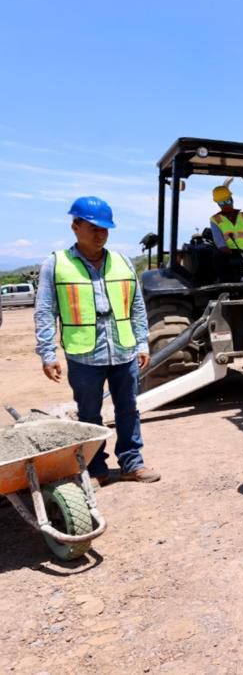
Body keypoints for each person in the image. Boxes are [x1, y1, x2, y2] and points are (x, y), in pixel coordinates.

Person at [34, 196, 159, 485]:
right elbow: (44, 311)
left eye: (104, 229)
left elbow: (137, 306)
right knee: (89, 414)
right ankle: (95, 468)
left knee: (128, 409)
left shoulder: (121, 261)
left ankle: (132, 463)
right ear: (75, 226)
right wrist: (48, 353)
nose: (100, 234)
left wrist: (142, 343)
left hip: (123, 350)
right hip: (84, 354)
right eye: (93, 228)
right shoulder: (56, 263)